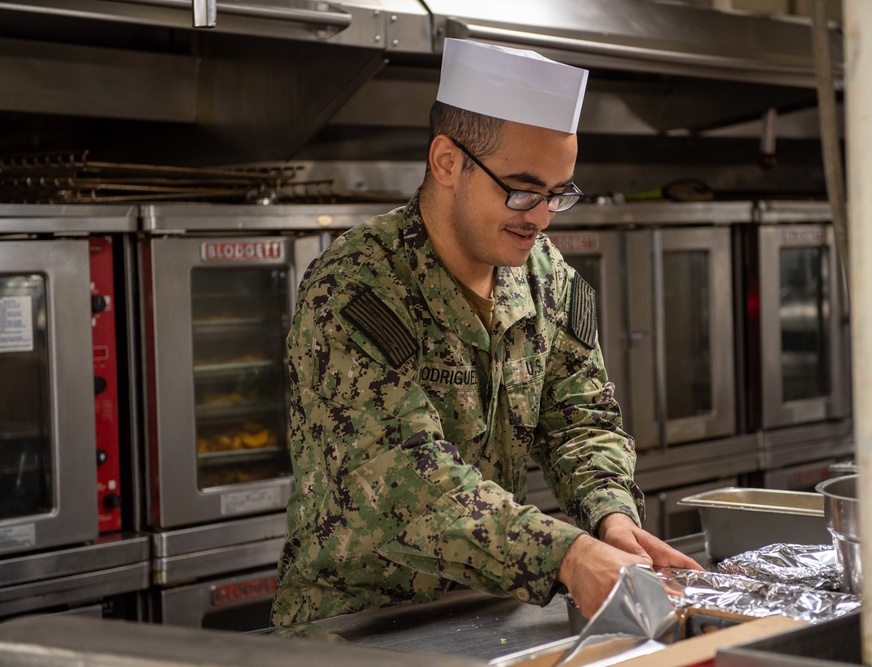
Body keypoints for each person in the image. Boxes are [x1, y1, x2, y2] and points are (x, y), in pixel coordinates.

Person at [270, 38, 701, 628]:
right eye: (522, 190)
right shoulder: (355, 290)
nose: (542, 217)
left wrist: (609, 515)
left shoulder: (551, 280)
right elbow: (408, 482)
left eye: (559, 194)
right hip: (354, 627)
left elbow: (581, 421)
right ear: (448, 161)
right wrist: (569, 555)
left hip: (484, 616)